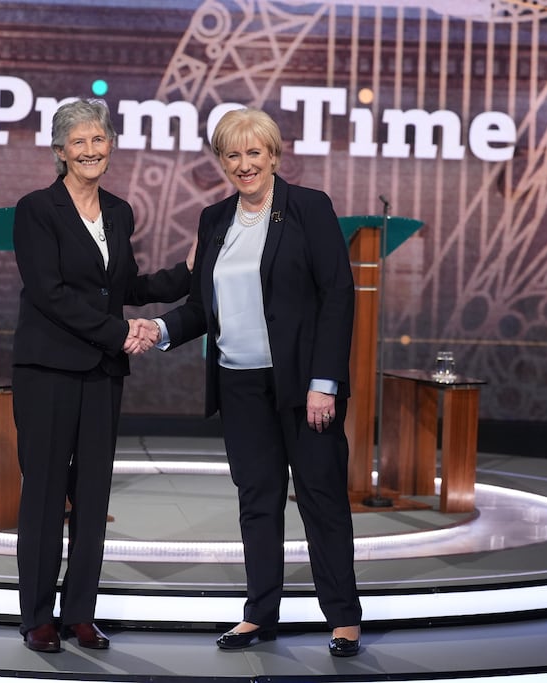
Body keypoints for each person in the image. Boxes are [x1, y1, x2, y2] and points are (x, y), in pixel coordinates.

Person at [144, 107, 363, 657]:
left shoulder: (309, 208)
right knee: (258, 502)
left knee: (321, 499)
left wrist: (325, 383)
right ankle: (259, 615)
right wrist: (162, 329)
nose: (244, 165)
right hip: (239, 385)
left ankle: (343, 619)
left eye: (254, 153)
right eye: (232, 155)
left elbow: (338, 296)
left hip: (302, 388)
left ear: (273, 155)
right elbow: (202, 305)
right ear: (221, 161)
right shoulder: (214, 218)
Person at [10, 98, 192, 653]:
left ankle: (80, 614)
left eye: (99, 139)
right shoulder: (37, 209)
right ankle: (38, 615)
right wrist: (123, 334)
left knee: (92, 495)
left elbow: (125, 287)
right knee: (44, 496)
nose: (90, 150)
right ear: (60, 152)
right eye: (78, 142)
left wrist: (186, 274)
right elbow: (51, 293)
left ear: (110, 145)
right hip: (47, 369)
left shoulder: (119, 210)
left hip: (102, 373)